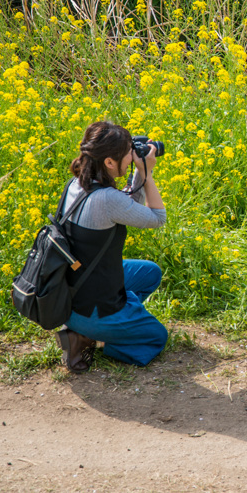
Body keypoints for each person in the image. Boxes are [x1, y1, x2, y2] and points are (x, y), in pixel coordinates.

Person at [54, 121, 168, 373]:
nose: (132, 157)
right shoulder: (108, 199)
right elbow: (158, 218)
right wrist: (147, 173)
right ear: (108, 162)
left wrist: (138, 172)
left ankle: (107, 321)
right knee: (157, 336)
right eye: (128, 152)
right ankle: (90, 336)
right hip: (91, 309)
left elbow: (122, 204)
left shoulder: (75, 184)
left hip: (70, 295)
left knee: (150, 272)